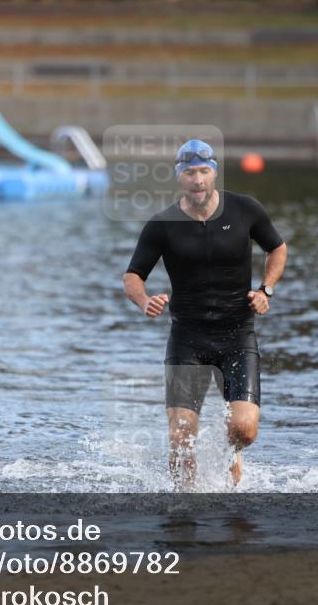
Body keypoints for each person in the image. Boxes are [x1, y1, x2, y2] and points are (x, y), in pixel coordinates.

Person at [122, 139, 288, 489]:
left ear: (214, 172)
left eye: (203, 171)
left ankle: (233, 455)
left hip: (237, 335)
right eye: (189, 173)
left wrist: (266, 290)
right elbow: (132, 275)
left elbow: (277, 247)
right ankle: (183, 508)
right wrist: (144, 300)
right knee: (180, 437)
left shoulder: (244, 209)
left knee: (244, 430)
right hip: (187, 339)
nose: (197, 180)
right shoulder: (162, 224)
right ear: (179, 177)